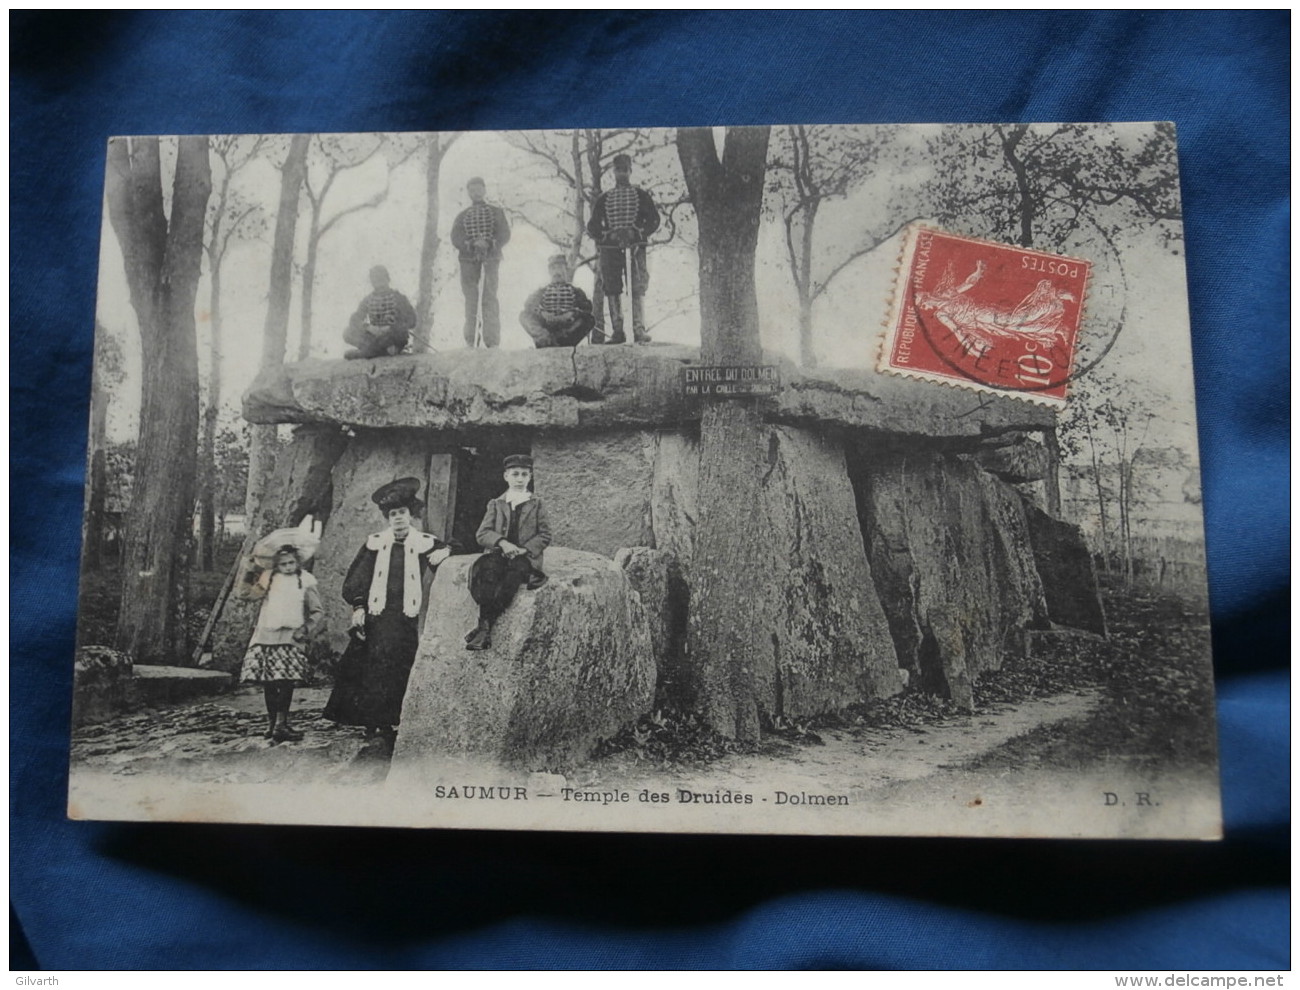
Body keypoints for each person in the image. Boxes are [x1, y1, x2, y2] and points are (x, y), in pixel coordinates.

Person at [323, 478, 452, 748]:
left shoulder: (424, 542)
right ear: (387, 517)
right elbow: (358, 578)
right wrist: (359, 606)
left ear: (411, 514)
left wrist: (447, 551)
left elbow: (457, 548)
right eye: (393, 514)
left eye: (402, 513)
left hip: (405, 616)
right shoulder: (375, 543)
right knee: (374, 667)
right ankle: (373, 722)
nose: (398, 519)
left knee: (400, 666)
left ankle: (396, 721)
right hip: (377, 614)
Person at [235, 543, 325, 743]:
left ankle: (281, 724)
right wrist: (248, 571)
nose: (288, 567)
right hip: (266, 635)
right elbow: (244, 595)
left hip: (290, 638)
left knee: (285, 681)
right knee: (269, 682)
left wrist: (306, 629)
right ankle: (271, 724)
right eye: (283, 564)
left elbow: (317, 611)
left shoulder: (305, 581)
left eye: (292, 563)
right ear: (277, 565)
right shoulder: (269, 579)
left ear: (298, 562)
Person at [465, 454, 551, 651]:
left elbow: (545, 535)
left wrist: (524, 549)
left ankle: (483, 627)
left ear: (530, 477)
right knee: (489, 572)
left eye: (524, 474)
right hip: (499, 553)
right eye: (515, 474)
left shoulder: (537, 504)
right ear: (506, 476)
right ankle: (484, 629)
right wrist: (502, 543)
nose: (519, 479)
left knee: (513, 576)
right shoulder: (496, 504)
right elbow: (482, 534)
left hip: (525, 556)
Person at [587, 153, 660, 344]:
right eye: (618, 170)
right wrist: (605, 234)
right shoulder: (605, 199)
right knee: (612, 287)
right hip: (610, 248)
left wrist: (638, 232)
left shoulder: (641, 196)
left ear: (630, 171)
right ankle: (618, 331)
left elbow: (654, 219)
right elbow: (592, 226)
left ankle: (639, 329)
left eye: (625, 170)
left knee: (637, 286)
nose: (621, 174)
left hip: (635, 246)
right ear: (614, 172)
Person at [451, 177, 511, 348]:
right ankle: (471, 340)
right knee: (471, 299)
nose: (475, 193)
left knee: (490, 297)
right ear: (468, 193)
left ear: (484, 190)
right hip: (468, 261)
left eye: (478, 189)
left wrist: (490, 243)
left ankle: (492, 341)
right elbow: (455, 237)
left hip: (491, 259)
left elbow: (504, 234)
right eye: (472, 190)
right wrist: (470, 244)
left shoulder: (496, 212)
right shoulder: (462, 216)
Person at [519, 254, 596, 348]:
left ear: (566, 270)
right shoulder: (541, 291)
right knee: (524, 316)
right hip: (547, 326)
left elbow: (587, 308)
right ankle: (544, 338)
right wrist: (541, 313)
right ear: (549, 271)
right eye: (553, 268)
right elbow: (528, 305)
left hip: (568, 328)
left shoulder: (576, 291)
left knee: (589, 319)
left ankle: (560, 340)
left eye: (560, 267)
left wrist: (573, 314)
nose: (556, 272)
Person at [343, 265, 417, 359]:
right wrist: (369, 327)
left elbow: (412, 320)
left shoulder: (399, 298)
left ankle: (366, 353)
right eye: (376, 281)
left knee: (396, 336)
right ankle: (377, 351)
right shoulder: (368, 300)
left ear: (387, 279)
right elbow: (354, 319)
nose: (379, 285)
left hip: (392, 337)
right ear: (372, 282)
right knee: (347, 333)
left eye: (381, 280)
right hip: (375, 337)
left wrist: (391, 327)